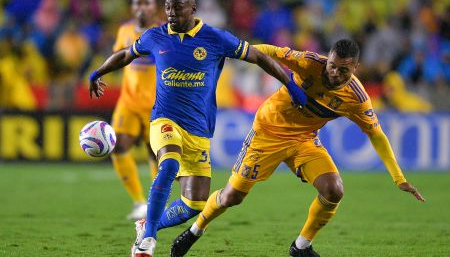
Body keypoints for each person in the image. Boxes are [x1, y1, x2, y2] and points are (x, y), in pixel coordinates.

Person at [88, 0, 307, 256]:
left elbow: (259, 57)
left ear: (192, 10)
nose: (170, 13)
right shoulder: (156, 36)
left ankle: (146, 223)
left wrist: (291, 86)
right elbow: (126, 54)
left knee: (195, 202)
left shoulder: (215, 38)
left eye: (177, 8)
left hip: (199, 128)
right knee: (168, 164)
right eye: (168, 7)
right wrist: (98, 72)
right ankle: (147, 239)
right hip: (164, 120)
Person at [170, 39, 426, 257]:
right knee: (231, 198)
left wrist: (398, 178)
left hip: (303, 139)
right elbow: (272, 52)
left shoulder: (357, 99)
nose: (334, 73)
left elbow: (377, 135)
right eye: (332, 66)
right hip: (267, 133)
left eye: (343, 70)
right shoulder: (309, 63)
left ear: (356, 68)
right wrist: (236, 50)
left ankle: (302, 246)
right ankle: (195, 230)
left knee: (333, 190)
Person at [108, 0, 161, 221]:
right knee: (117, 146)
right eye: (137, 3)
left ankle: (153, 204)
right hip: (128, 102)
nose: (141, 7)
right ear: (132, 7)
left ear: (154, 7)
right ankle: (139, 201)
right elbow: (118, 57)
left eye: (146, 3)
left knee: (155, 154)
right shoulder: (125, 30)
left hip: (155, 104)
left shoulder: (163, 31)